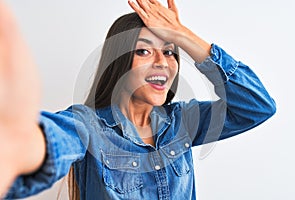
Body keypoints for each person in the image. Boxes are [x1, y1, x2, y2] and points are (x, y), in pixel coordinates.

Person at [0, 0, 276, 199]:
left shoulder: (183, 122)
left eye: (170, 52)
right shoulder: (87, 126)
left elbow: (257, 106)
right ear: (118, 63)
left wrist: (184, 36)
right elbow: (46, 142)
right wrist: (16, 146)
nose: (162, 62)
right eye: (144, 51)